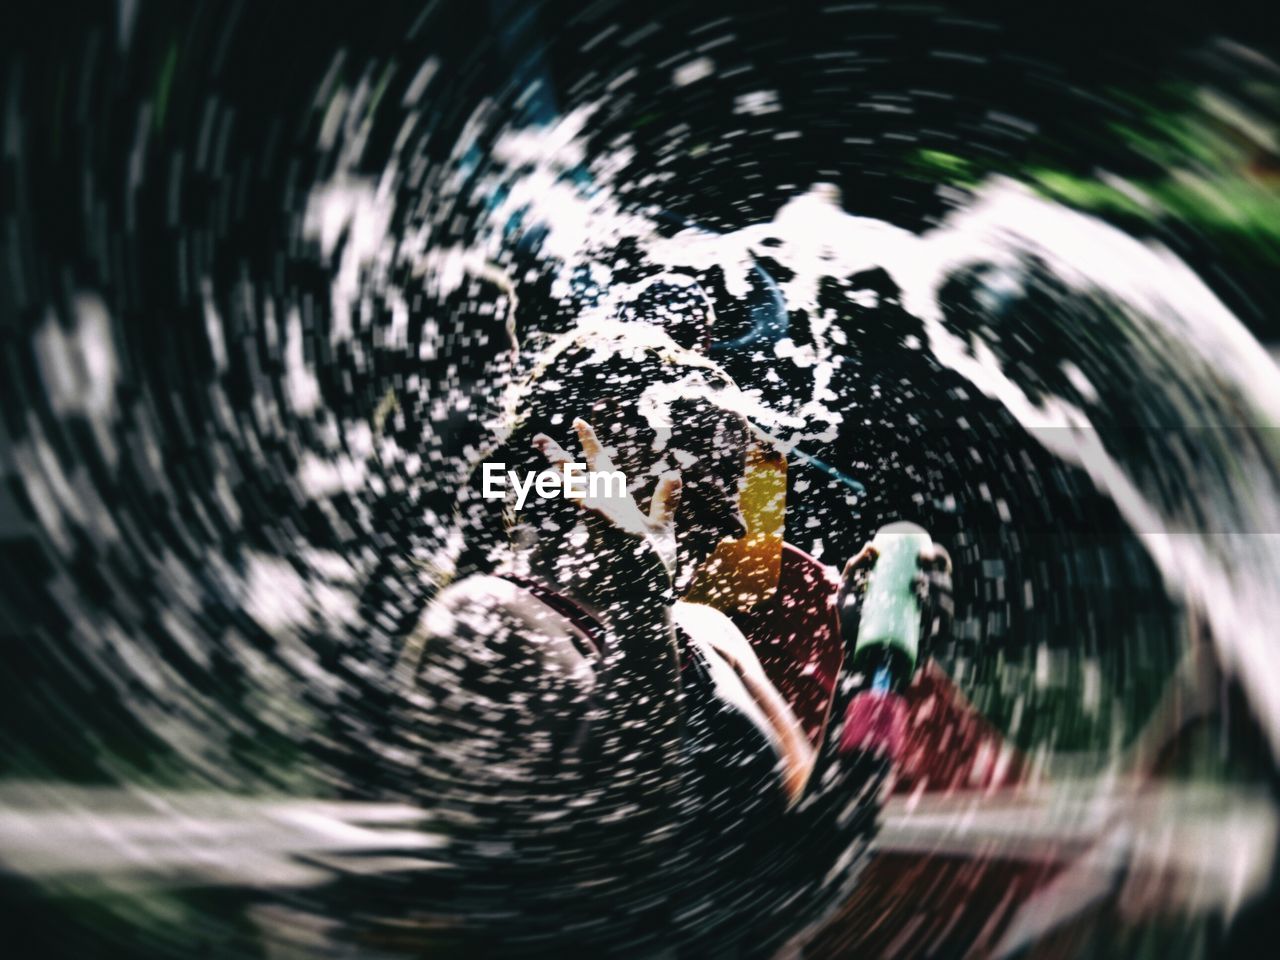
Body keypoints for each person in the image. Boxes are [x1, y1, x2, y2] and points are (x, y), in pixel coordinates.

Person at [403, 319, 945, 955]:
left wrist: (877, 668)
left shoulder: (706, 632)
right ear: (595, 438)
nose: (735, 489)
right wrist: (637, 614)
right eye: (696, 436)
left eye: (729, 461)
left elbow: (808, 873)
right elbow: (612, 862)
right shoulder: (479, 622)